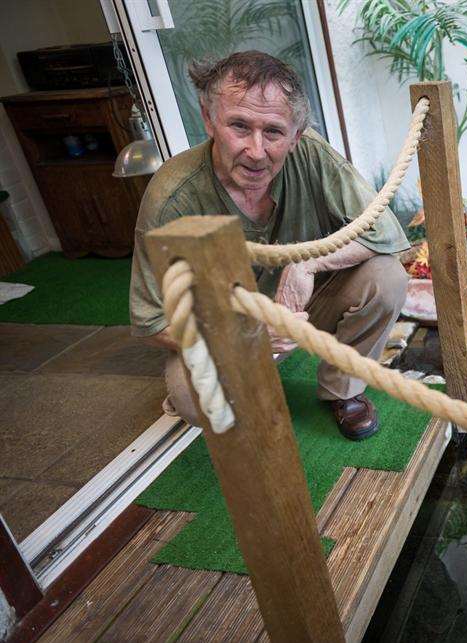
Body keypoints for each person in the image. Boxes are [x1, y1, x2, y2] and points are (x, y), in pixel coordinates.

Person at [129, 51, 410, 441]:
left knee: (387, 277)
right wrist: (244, 334)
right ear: (209, 120)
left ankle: (343, 392)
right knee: (192, 398)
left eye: (274, 132)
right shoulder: (171, 197)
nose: (257, 151)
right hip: (225, 323)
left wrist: (306, 265)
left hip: (302, 306)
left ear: (295, 136)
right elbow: (151, 322)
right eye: (239, 126)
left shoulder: (311, 154)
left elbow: (387, 234)